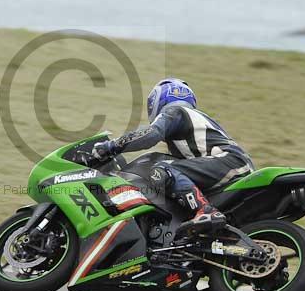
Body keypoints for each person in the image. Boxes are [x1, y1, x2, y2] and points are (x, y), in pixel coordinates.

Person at [91, 78, 254, 239]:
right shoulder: (195, 119)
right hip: (232, 164)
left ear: (158, 100)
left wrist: (111, 146)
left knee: (162, 170)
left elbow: (150, 135)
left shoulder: (174, 111)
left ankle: (205, 211)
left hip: (228, 162)